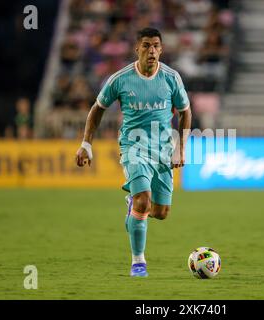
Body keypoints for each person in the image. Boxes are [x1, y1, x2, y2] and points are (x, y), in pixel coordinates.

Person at [75, 28, 192, 277]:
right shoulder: (120, 79)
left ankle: (134, 208)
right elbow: (98, 109)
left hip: (162, 149)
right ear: (136, 48)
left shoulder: (171, 78)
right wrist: (86, 143)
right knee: (143, 201)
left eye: (156, 46)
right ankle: (138, 262)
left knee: (160, 213)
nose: (152, 51)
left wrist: (181, 147)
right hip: (133, 147)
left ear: (161, 49)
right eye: (147, 45)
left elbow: (185, 111)